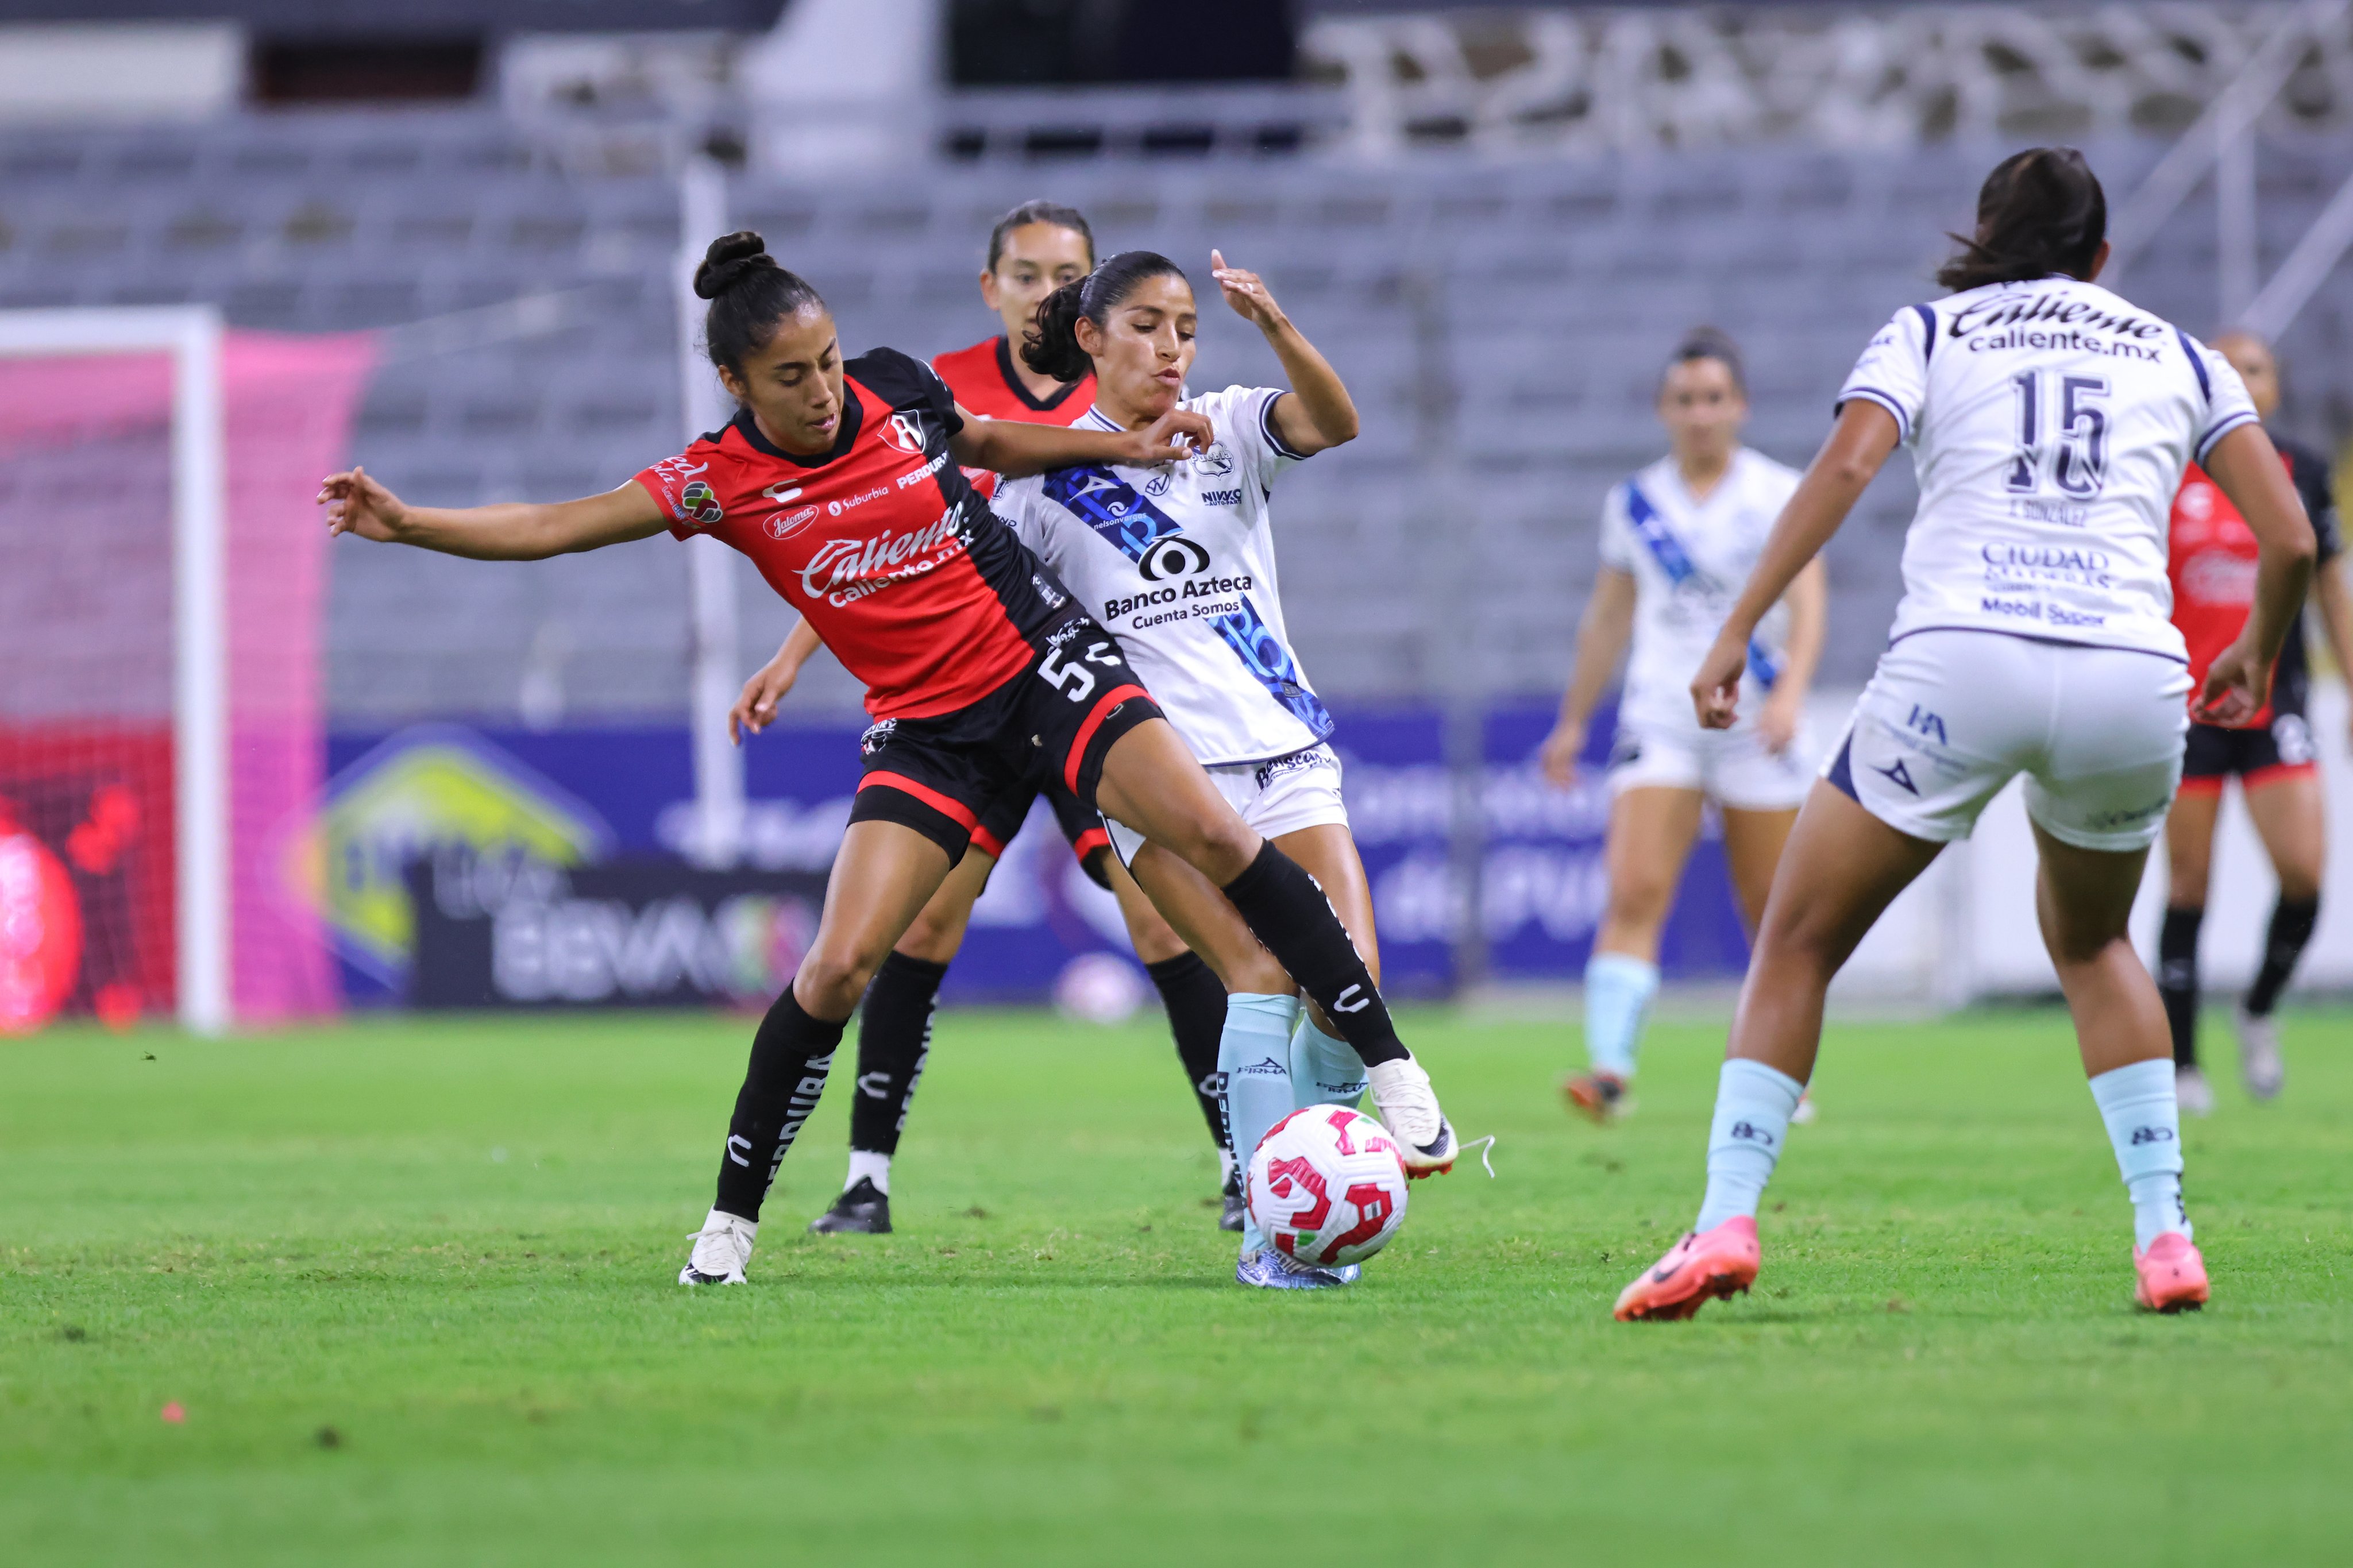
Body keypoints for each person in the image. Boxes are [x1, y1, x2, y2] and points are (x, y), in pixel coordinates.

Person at [319, 231, 1457, 1291]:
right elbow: (551, 524)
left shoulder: (893, 390)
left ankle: (1390, 1072)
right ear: (735, 384)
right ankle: (731, 1221)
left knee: (1213, 836)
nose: (822, 392)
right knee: (837, 967)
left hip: (1044, 667)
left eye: (825, 363)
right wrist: (408, 522)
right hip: (928, 729)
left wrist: (1117, 442)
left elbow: (989, 443)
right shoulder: (716, 480)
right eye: (792, 377)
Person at [1611, 148, 2316, 1323]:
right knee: (2093, 949)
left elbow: (1845, 463)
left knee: (1793, 939)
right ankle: (2163, 1238)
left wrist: (1739, 625)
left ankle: (1725, 1219)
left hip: (1960, 661)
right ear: (2099, 258)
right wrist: (2254, 647)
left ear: (1981, 237)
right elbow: (2288, 537)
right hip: (2128, 677)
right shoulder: (2177, 353)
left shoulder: (1932, 332)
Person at [734, 200, 1240, 1237]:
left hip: (1085, 677)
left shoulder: (1132, 386)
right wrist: (790, 656)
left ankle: (1240, 1159)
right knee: (922, 918)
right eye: (1026, 273)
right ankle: (867, 1177)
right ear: (990, 286)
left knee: (1158, 913)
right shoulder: (929, 388)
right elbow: (868, 539)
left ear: (1099, 297)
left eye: (1069, 274)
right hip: (968, 691)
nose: (1047, 291)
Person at [991, 246, 1407, 1289]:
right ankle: (1282, 1233)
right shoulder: (1040, 480)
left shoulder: (1227, 424)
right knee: (1258, 976)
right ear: (1088, 336)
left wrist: (1274, 324)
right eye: (1145, 326)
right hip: (1163, 777)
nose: (1172, 348)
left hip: (1288, 750)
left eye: (1185, 327)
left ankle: (1313, 1179)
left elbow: (1338, 422)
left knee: (1351, 987)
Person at [1539, 329, 1826, 1123]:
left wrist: (1790, 693)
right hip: (1661, 712)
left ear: (1739, 405)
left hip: (1751, 717)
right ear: (1665, 409)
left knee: (1772, 907)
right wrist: (1572, 722)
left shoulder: (1777, 492)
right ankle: (1610, 1071)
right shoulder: (1635, 502)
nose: (1700, 414)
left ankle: (1783, 1073)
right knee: (1634, 887)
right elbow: (1606, 618)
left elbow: (1808, 603)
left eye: (1713, 399)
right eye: (1685, 400)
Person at [2157, 330, 2352, 1115]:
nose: (2240, 377)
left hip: (2278, 702)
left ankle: (2260, 1006)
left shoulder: (2301, 469)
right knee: (2189, 883)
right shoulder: (2166, 463)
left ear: (2274, 387)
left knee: (2305, 875)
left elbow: (2331, 582)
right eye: (2224, 366)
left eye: (2256, 367)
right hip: (2188, 705)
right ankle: (2183, 1064)